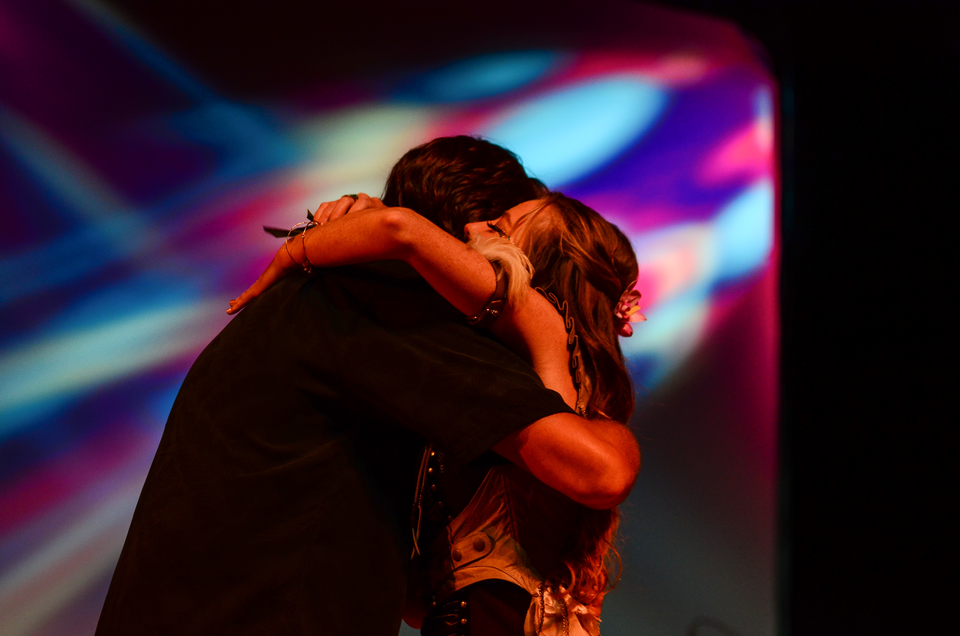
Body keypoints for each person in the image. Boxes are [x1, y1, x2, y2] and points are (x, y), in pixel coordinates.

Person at [95, 136, 638, 636]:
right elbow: (595, 470)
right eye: (495, 224)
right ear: (465, 232)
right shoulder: (388, 301)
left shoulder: (333, 295)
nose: (492, 246)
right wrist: (537, 328)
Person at [230, 189, 643, 635]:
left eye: (499, 228)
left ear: (544, 272)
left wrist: (300, 249)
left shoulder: (580, 405)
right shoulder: (483, 395)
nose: (472, 227)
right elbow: (418, 602)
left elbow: (402, 230)